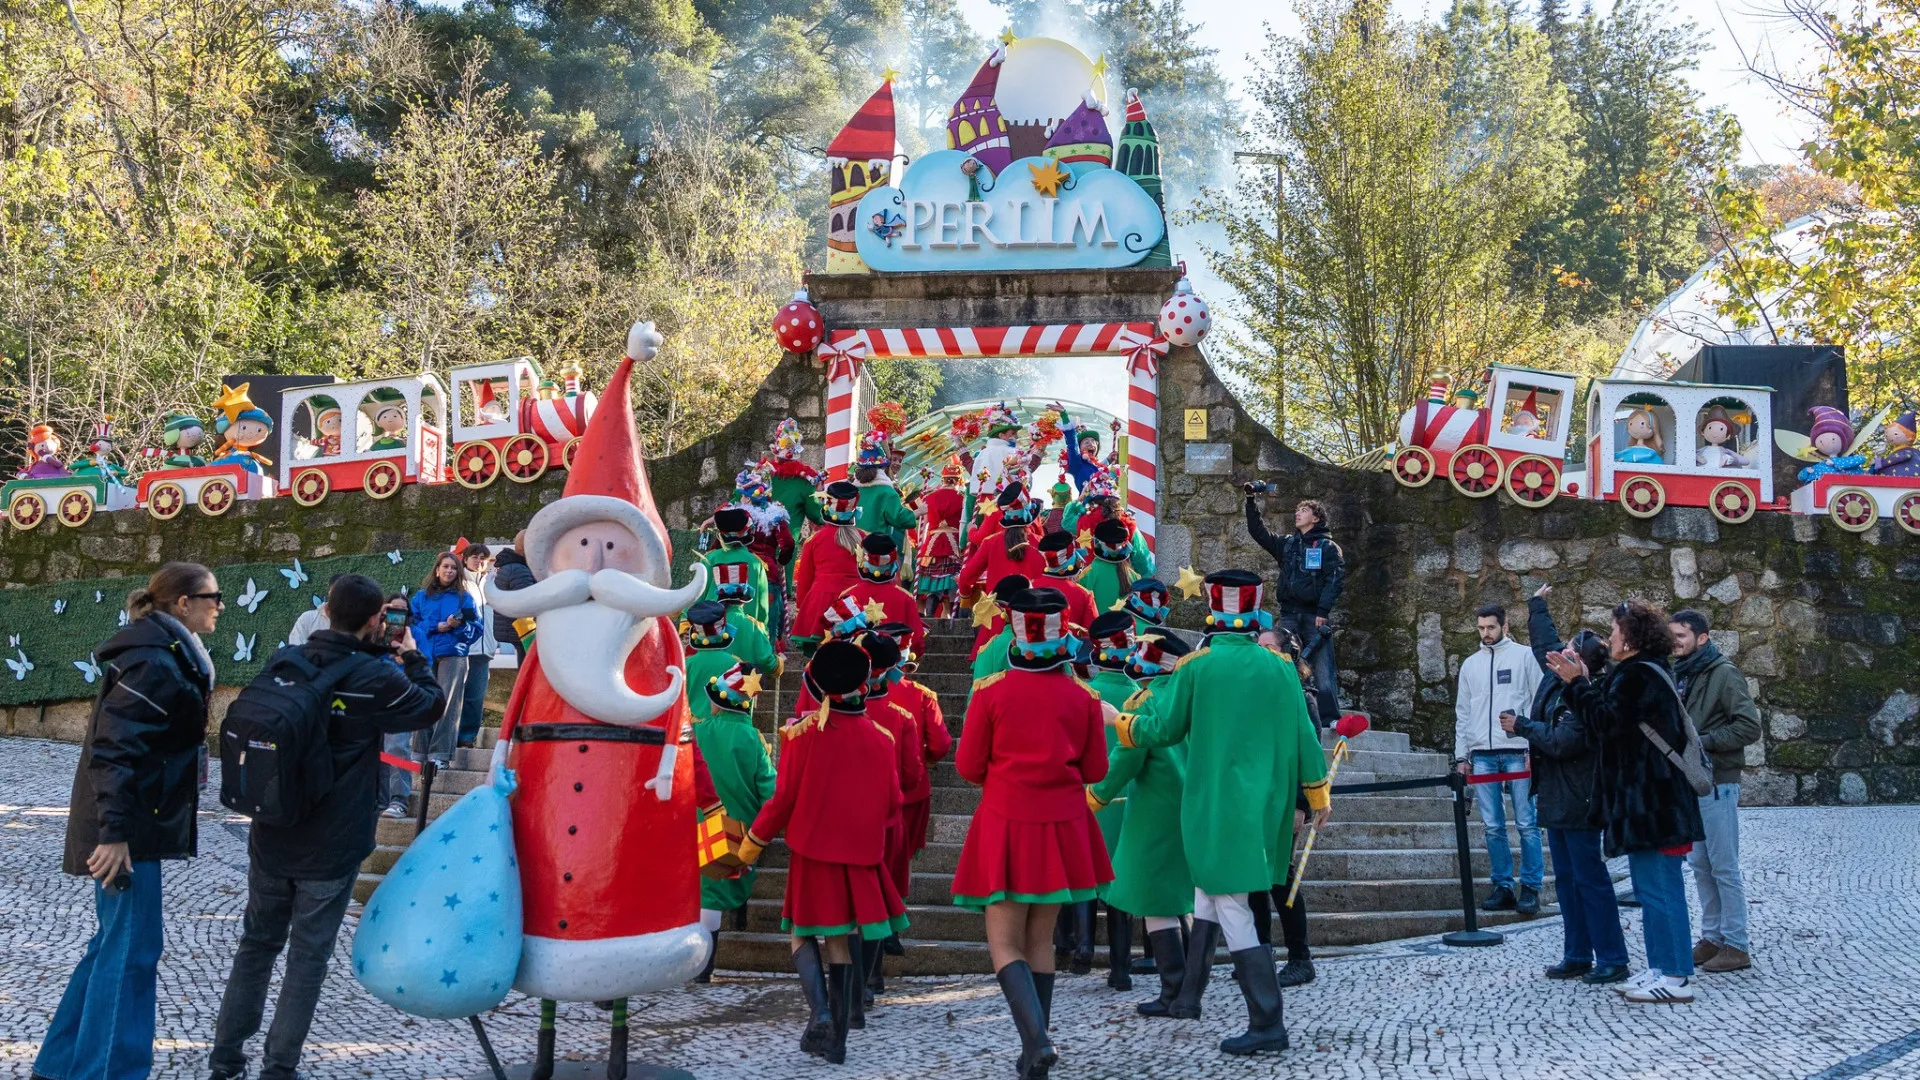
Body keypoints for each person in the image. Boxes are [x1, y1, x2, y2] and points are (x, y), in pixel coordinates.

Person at [208, 575, 445, 1080]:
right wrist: (412, 655)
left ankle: (225, 1058)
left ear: (327, 611)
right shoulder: (373, 677)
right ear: (374, 619)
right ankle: (279, 1067)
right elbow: (431, 707)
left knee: (256, 944)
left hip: (273, 829)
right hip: (332, 840)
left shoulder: (284, 661)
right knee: (307, 957)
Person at [1108, 569, 1329, 1056]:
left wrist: (1120, 721)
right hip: (1266, 806)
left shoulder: (1195, 667)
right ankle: (1186, 997)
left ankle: (1268, 1021)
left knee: (1230, 906)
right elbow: (1306, 739)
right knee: (1209, 898)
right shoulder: (1279, 667)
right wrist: (1317, 796)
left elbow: (1162, 730)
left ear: (1213, 611)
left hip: (1216, 805)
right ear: (1254, 613)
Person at [35, 563, 220, 1080]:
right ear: (182, 603)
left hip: (136, 822)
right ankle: (107, 1072)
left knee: (111, 948)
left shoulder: (168, 654)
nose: (220, 605)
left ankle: (60, 1066)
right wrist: (114, 835)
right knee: (130, 953)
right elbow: (113, 750)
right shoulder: (153, 661)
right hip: (126, 830)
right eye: (212, 596)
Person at [951, 588, 1112, 1080]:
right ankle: (1032, 1056)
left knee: (1004, 942)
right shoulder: (1084, 697)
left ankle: (1037, 1041)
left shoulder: (991, 691)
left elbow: (968, 766)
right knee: (1040, 942)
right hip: (1063, 824)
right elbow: (1096, 767)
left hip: (1006, 819)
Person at [738, 642, 906, 1066]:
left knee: (801, 933)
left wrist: (750, 846)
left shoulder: (801, 734)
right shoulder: (882, 739)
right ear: (863, 686)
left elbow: (782, 800)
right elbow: (891, 804)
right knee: (839, 943)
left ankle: (821, 1013)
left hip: (813, 851)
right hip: (860, 855)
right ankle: (838, 1041)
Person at [1547, 600, 1707, 1004]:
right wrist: (1582, 682)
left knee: (1661, 889)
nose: (1610, 638)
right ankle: (1659, 967)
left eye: (1616, 631)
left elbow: (1604, 724)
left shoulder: (1639, 675)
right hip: (1648, 802)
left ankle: (1674, 976)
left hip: (1654, 801)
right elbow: (1611, 718)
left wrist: (1576, 684)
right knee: (1650, 887)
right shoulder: (1636, 673)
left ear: (1632, 637)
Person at [1505, 585, 1629, 985]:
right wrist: (1537, 606)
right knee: (1566, 883)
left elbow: (1562, 742)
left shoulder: (1585, 694)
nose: (1559, 656)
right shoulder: (1558, 681)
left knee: (1590, 880)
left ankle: (1612, 956)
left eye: (1569, 652)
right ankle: (1576, 953)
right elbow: (1546, 644)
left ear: (1583, 662)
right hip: (1557, 797)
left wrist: (1523, 726)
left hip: (1580, 798)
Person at [1092, 630, 1193, 1015]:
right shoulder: (1189, 697)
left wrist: (1095, 797)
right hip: (1190, 805)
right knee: (1186, 900)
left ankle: (1174, 990)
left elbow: (1128, 758)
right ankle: (1185, 986)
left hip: (1152, 810)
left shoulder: (1145, 701)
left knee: (1155, 903)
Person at [1669, 608, 1761, 974]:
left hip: (1719, 781)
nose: (1674, 642)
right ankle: (1712, 937)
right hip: (1692, 781)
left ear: (1701, 638)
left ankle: (1736, 944)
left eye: (1681, 635)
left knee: (1723, 865)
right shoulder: (1682, 674)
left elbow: (1748, 727)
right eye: (1672, 635)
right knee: (1700, 865)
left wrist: (1701, 742)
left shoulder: (1723, 673)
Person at [1453, 603, 1544, 915]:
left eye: (1491, 627)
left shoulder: (1525, 656)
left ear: (1504, 627)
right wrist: (1461, 756)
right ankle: (1503, 885)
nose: (1485, 633)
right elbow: (1462, 714)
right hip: (1481, 755)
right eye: (1481, 628)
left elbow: (1538, 703)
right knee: (1492, 825)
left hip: (1519, 749)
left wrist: (1536, 748)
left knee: (1527, 823)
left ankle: (1531, 887)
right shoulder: (1470, 665)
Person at [690, 661, 776, 984]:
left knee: (708, 895)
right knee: (727, 884)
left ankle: (703, 968)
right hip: (742, 831)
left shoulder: (698, 732)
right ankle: (738, 916)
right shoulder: (754, 740)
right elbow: (771, 791)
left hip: (700, 826)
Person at [1076, 613, 1145, 990]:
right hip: (1130, 798)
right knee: (1121, 879)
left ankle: (1084, 944)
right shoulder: (1141, 695)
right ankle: (1121, 969)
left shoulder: (1084, 694)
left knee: (1088, 873)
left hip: (1090, 797)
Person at [1243, 490, 1344, 724]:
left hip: (1313, 616)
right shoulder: (1288, 544)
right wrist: (1250, 502)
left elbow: (1335, 579)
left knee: (1322, 667)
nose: (1298, 513)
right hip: (1288, 615)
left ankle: (1329, 719)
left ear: (1316, 518)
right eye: (1297, 510)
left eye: (1304, 510)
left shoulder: (1328, 547)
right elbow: (1258, 532)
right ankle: (1278, 708)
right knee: (1280, 660)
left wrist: (1323, 611)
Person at [407, 551, 480, 769]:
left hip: (454, 654)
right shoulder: (420, 597)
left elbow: (476, 629)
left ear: (458, 572)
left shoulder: (464, 598)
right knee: (423, 700)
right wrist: (434, 626)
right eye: (445, 566)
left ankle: (440, 754)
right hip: (426, 655)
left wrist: (460, 626)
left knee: (448, 704)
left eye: (453, 567)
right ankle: (419, 751)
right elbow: (409, 625)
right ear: (437, 569)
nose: (449, 571)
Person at [791, 481, 865, 651]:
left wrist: (801, 608)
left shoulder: (814, 540)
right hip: (856, 601)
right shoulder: (864, 538)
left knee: (823, 658)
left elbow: (805, 580)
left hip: (821, 602)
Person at [837, 534, 928, 659]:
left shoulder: (848, 595)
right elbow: (917, 641)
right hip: (893, 668)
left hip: (856, 670)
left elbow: (837, 636)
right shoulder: (905, 597)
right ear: (893, 565)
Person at [375, 593, 419, 818]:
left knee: (396, 749)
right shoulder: (375, 636)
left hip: (402, 700)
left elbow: (425, 664)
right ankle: (380, 800)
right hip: (375, 700)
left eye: (402, 611)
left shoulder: (415, 635)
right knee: (377, 752)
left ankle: (399, 800)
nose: (397, 616)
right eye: (393, 610)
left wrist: (408, 658)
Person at [701, 507, 774, 632]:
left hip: (712, 626)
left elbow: (699, 593)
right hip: (748, 626)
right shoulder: (756, 562)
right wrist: (763, 628)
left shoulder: (709, 559)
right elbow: (762, 603)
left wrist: (687, 621)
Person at [915, 460, 968, 619]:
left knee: (934, 585)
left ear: (942, 479)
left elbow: (922, 525)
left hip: (932, 544)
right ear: (959, 480)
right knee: (953, 582)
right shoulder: (962, 498)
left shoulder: (929, 497)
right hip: (953, 543)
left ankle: (930, 617)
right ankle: (955, 619)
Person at [458, 543, 497, 748]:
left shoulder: (492, 583)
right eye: (475, 556)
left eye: (483, 557)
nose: (479, 560)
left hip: (485, 649)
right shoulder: (459, 581)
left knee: (476, 696)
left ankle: (467, 737)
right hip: (462, 648)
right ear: (465, 559)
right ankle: (449, 737)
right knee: (455, 695)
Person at [490, 531, 536, 660]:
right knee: (527, 669)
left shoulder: (510, 567)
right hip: (524, 630)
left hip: (514, 629)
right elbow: (527, 602)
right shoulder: (519, 570)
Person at [284, 575, 343, 647]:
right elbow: (294, 651)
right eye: (335, 592)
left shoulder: (356, 622)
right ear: (329, 592)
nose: (339, 597)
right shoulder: (307, 618)